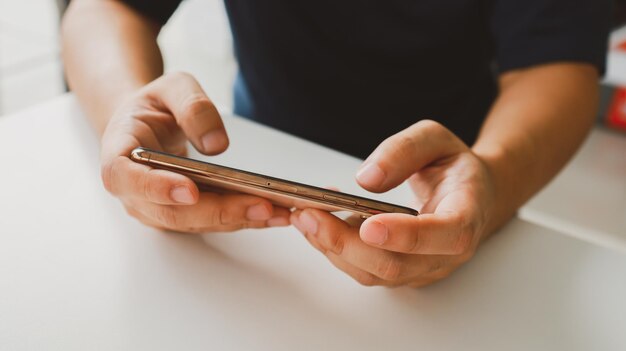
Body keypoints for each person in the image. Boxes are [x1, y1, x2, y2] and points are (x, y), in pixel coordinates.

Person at [61, 0, 610, 287]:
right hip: (253, 150)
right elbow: (106, 6)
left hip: (445, 173)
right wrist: (123, 110)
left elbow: (556, 65)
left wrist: (492, 179)